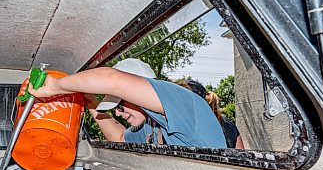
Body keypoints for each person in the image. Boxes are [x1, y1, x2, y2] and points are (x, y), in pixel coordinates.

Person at [28, 58, 226, 148]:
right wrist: (90, 102)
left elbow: (112, 79)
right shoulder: (151, 126)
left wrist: (56, 86)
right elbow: (120, 137)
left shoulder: (182, 101)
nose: (119, 114)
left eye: (119, 106)